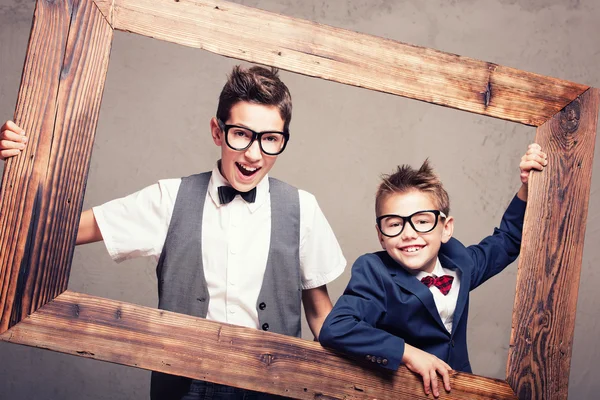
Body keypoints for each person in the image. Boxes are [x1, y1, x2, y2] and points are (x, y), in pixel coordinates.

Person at [0, 65, 346, 400]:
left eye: (271, 139)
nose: (254, 154)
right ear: (216, 131)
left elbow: (319, 313)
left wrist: (348, 381)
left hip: (277, 386)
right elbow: (57, 230)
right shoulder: (168, 199)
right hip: (185, 387)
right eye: (241, 134)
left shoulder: (303, 207)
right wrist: (27, 166)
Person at [318, 145, 547, 398]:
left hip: (460, 392)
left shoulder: (461, 262)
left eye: (422, 221)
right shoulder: (375, 273)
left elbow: (508, 240)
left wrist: (527, 186)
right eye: (394, 224)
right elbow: (336, 327)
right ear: (380, 236)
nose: (408, 234)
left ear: (446, 228)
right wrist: (408, 353)